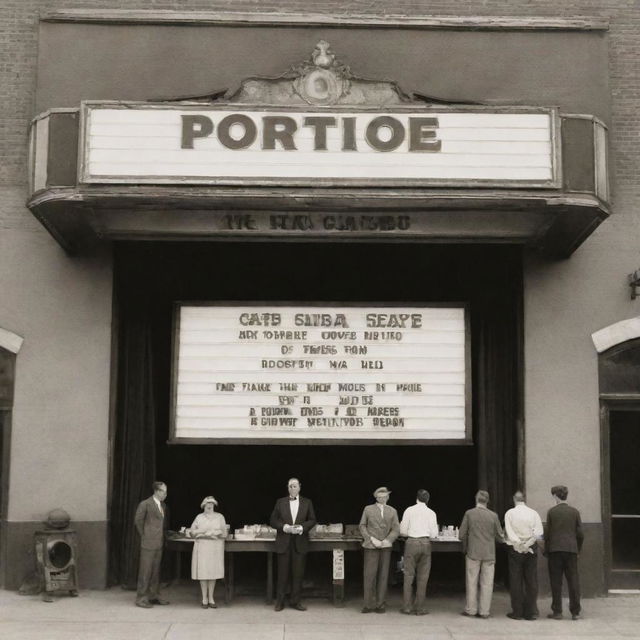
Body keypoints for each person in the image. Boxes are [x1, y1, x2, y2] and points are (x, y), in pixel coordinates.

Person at [269, 477, 317, 611]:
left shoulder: (307, 502)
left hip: (300, 542)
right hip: (283, 541)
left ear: (300, 487)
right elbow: (273, 520)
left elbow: (312, 520)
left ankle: (295, 601)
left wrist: (302, 528)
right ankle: (280, 601)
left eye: (295, 486)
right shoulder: (280, 502)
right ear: (287, 488)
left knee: (298, 573)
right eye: (290, 486)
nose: (292, 488)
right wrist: (284, 527)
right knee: (282, 573)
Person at [459, 489, 504, 619]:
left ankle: (471, 609)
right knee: (487, 583)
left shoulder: (469, 513)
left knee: (471, 581)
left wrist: (466, 544)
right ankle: (484, 611)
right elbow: (500, 537)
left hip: (473, 552)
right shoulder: (494, 516)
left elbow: (461, 534)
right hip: (489, 553)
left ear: (476, 499)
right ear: (487, 501)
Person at [544, 485, 584, 621]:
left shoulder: (551, 512)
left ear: (555, 496)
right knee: (573, 580)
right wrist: (578, 548)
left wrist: (546, 550)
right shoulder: (575, 512)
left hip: (555, 550)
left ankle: (557, 611)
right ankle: (575, 612)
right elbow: (580, 534)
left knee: (556, 581)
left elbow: (547, 534)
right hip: (571, 550)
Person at [358, 486, 400, 614]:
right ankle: (367, 604)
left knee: (383, 575)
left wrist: (388, 540)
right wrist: (370, 539)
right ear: (376, 497)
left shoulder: (393, 511)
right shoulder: (368, 509)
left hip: (385, 547)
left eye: (385, 495)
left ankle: (380, 604)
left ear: (388, 497)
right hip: (371, 546)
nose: (383, 498)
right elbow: (362, 525)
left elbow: (396, 529)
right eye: (380, 496)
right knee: (369, 575)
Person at [504, 490, 543, 621]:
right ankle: (531, 612)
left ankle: (517, 612)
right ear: (524, 499)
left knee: (516, 581)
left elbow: (509, 531)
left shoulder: (510, 513)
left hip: (515, 549)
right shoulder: (534, 513)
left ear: (514, 499)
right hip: (530, 549)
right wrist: (528, 544)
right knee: (531, 581)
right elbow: (539, 533)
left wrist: (518, 544)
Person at [399, 489, 439, 615]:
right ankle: (420, 608)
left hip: (411, 543)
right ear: (428, 500)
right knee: (423, 578)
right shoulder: (431, 513)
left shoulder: (409, 510)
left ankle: (407, 607)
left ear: (416, 498)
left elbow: (403, 532)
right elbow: (434, 534)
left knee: (408, 576)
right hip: (426, 543)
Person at [134, 481, 170, 608]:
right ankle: (141, 598)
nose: (165, 494)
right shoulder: (145, 504)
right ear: (156, 491)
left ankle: (153, 596)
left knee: (155, 571)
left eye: (166, 492)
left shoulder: (163, 506)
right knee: (145, 571)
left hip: (158, 543)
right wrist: (145, 536)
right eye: (163, 492)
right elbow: (138, 521)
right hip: (148, 543)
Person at [189, 496, 226, 608]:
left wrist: (214, 533)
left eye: (211, 504)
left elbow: (224, 533)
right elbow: (191, 532)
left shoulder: (220, 517)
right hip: (202, 548)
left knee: (213, 572)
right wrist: (202, 532)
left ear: (214, 505)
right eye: (207, 504)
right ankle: (204, 598)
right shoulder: (199, 517)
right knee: (203, 572)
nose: (209, 505)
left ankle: (211, 598)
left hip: (214, 548)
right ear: (203, 506)